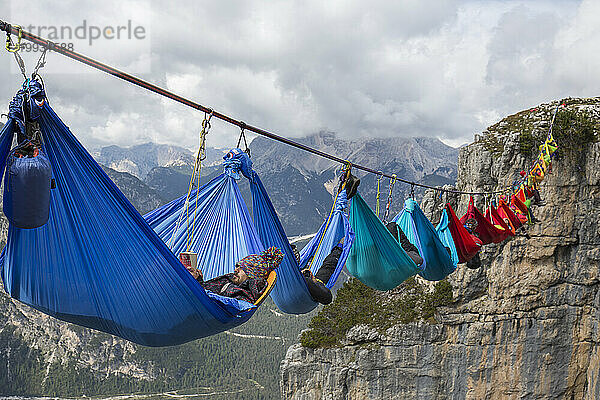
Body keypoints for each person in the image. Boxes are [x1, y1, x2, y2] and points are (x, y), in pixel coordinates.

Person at [185, 246, 283, 304]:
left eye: (242, 268)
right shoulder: (230, 281)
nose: (235, 270)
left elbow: (215, 303)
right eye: (236, 266)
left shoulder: (244, 295)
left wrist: (195, 286)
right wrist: (197, 281)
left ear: (252, 274)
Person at [292, 240, 343, 305]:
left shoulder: (302, 265)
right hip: (302, 287)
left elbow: (328, 265)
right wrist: (306, 279)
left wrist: (339, 248)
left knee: (327, 267)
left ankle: (338, 249)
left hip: (312, 287)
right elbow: (327, 298)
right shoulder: (289, 276)